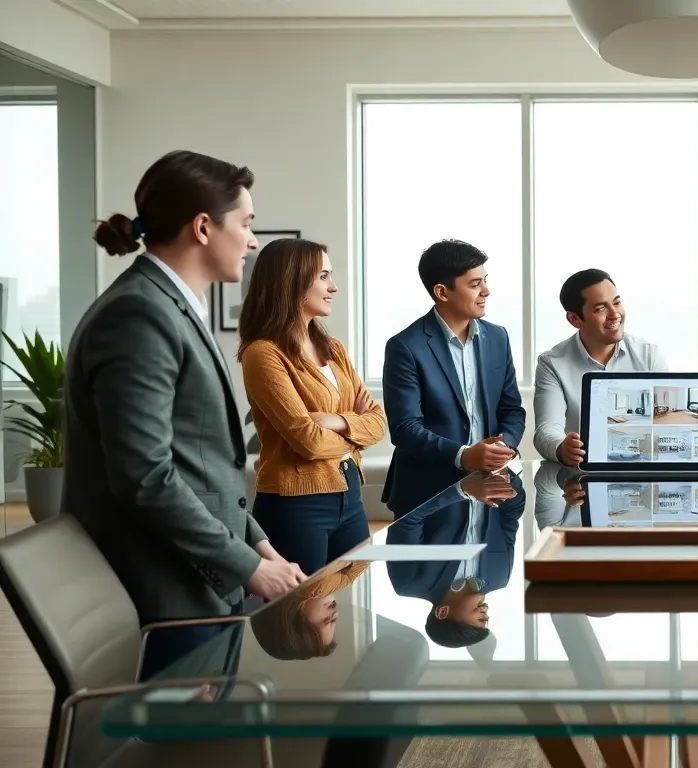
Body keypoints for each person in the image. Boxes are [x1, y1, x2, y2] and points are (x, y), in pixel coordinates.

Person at [73, 149, 304, 679]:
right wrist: (248, 567)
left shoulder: (169, 306)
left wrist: (259, 544)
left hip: (201, 579)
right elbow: (145, 477)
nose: (252, 240)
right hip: (167, 595)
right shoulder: (139, 314)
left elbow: (198, 463)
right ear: (203, 227)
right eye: (246, 224)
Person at [238, 238, 387, 576]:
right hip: (296, 505)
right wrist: (355, 430)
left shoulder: (333, 348)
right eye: (323, 276)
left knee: (353, 605)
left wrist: (336, 421)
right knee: (300, 617)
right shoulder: (263, 353)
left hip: (349, 495)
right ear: (291, 280)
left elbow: (378, 422)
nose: (333, 286)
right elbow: (308, 440)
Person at [382, 239, 526, 516]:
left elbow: (511, 409)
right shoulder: (405, 346)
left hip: (491, 489)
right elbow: (405, 428)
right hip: (426, 496)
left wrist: (501, 447)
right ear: (442, 292)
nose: (486, 291)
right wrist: (464, 455)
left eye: (485, 280)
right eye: (474, 284)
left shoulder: (498, 337)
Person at [533, 269, 667, 466]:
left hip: (643, 470)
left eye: (617, 302)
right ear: (574, 320)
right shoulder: (552, 364)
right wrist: (562, 448)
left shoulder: (648, 355)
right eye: (600, 309)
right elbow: (546, 429)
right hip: (582, 480)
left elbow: (666, 419)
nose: (615, 315)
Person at [387, 470, 526, 658]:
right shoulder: (499, 578)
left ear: (443, 612)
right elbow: (511, 516)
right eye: (487, 618)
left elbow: (408, 520)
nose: (486, 611)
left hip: (436, 469)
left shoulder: (410, 583)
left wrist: (462, 490)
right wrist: (509, 479)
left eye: (480, 618)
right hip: (491, 468)